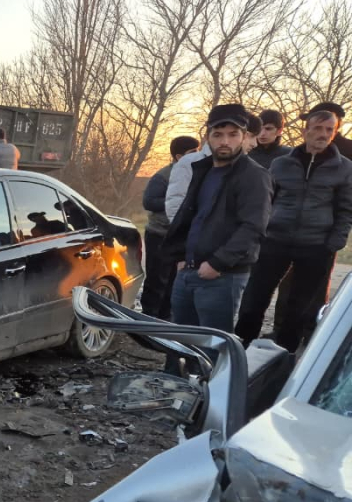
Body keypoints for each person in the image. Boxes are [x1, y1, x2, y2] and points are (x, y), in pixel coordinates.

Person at [235, 110, 352, 352]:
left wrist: (334, 243)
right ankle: (239, 350)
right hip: (274, 240)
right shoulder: (281, 164)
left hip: (316, 246)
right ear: (305, 131)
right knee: (253, 300)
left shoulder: (344, 168)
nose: (323, 134)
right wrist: (260, 232)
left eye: (329, 130)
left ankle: (283, 357)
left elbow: (346, 209)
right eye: (317, 128)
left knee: (298, 308)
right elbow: (266, 201)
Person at [161, 104, 272, 344]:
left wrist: (217, 263)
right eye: (218, 134)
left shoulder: (254, 175)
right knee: (181, 344)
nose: (225, 142)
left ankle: (210, 373)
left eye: (233, 134)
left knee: (213, 347)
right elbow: (191, 216)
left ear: (244, 136)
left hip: (221, 277)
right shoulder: (203, 170)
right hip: (188, 271)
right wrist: (181, 256)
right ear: (208, 136)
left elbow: (253, 226)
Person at [141, 136, 200, 319]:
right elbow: (149, 202)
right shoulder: (163, 176)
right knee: (156, 280)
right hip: (159, 235)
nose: (197, 155)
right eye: (193, 152)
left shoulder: (198, 174)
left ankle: (167, 318)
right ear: (178, 156)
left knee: (175, 281)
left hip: (182, 236)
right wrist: (178, 202)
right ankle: (148, 319)